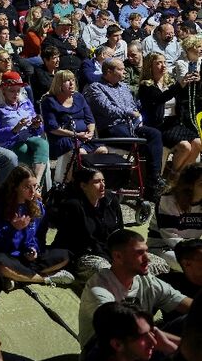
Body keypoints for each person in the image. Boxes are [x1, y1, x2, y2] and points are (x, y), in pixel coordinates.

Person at [78, 229, 192, 348]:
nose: (147, 258)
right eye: (139, 253)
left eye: (146, 252)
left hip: (138, 345)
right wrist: (186, 347)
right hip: (107, 355)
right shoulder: (99, 291)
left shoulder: (146, 281)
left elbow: (181, 302)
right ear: (118, 256)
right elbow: (126, 332)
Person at [0, 165, 75, 290]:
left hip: (25, 257)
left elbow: (40, 237)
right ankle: (44, 278)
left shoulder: (37, 206)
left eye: (35, 186)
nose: (33, 191)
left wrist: (33, 248)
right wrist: (12, 229)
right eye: (27, 187)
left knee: (65, 255)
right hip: (5, 254)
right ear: (15, 187)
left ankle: (18, 279)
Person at [85, 58, 165, 196]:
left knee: (155, 134)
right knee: (143, 145)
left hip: (131, 125)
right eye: (121, 69)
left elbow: (134, 105)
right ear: (109, 71)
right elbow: (107, 109)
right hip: (112, 127)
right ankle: (145, 182)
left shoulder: (124, 87)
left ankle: (153, 180)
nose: (125, 72)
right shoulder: (95, 87)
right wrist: (129, 112)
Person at [69, 302, 164, 361]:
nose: (153, 342)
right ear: (117, 344)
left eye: (151, 332)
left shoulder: (128, 352)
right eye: (143, 337)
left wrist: (167, 345)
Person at [50, 168, 127, 281]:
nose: (102, 185)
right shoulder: (73, 207)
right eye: (97, 182)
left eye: (103, 181)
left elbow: (119, 230)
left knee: (146, 263)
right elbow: (75, 243)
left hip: (111, 252)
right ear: (83, 186)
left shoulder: (110, 200)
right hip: (85, 256)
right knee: (108, 272)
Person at [138, 52, 202, 184]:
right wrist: (179, 85)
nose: (163, 66)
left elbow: (182, 98)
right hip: (159, 125)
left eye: (164, 62)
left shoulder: (170, 81)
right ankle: (173, 177)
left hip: (174, 123)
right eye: (158, 63)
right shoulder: (146, 86)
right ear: (150, 66)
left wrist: (194, 82)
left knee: (198, 143)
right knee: (185, 146)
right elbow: (160, 98)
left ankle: (179, 175)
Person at [0, 71, 49, 185]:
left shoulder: (25, 102)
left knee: (43, 143)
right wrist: (14, 129)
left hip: (28, 136)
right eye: (12, 91)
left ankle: (35, 185)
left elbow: (39, 128)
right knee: (28, 152)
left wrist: (37, 125)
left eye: (18, 91)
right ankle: (32, 189)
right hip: (9, 143)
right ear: (3, 91)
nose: (16, 94)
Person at [149, 164, 202, 271]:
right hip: (164, 248)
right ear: (190, 185)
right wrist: (196, 251)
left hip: (192, 248)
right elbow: (170, 238)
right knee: (194, 266)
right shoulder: (168, 201)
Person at [41, 70, 104, 158]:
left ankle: (96, 172)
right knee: (81, 153)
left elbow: (90, 120)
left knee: (102, 150)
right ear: (59, 84)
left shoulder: (79, 97)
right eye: (67, 80)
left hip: (85, 137)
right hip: (64, 138)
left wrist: (90, 133)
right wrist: (76, 135)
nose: (71, 83)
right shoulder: (49, 101)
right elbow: (53, 128)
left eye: (73, 80)